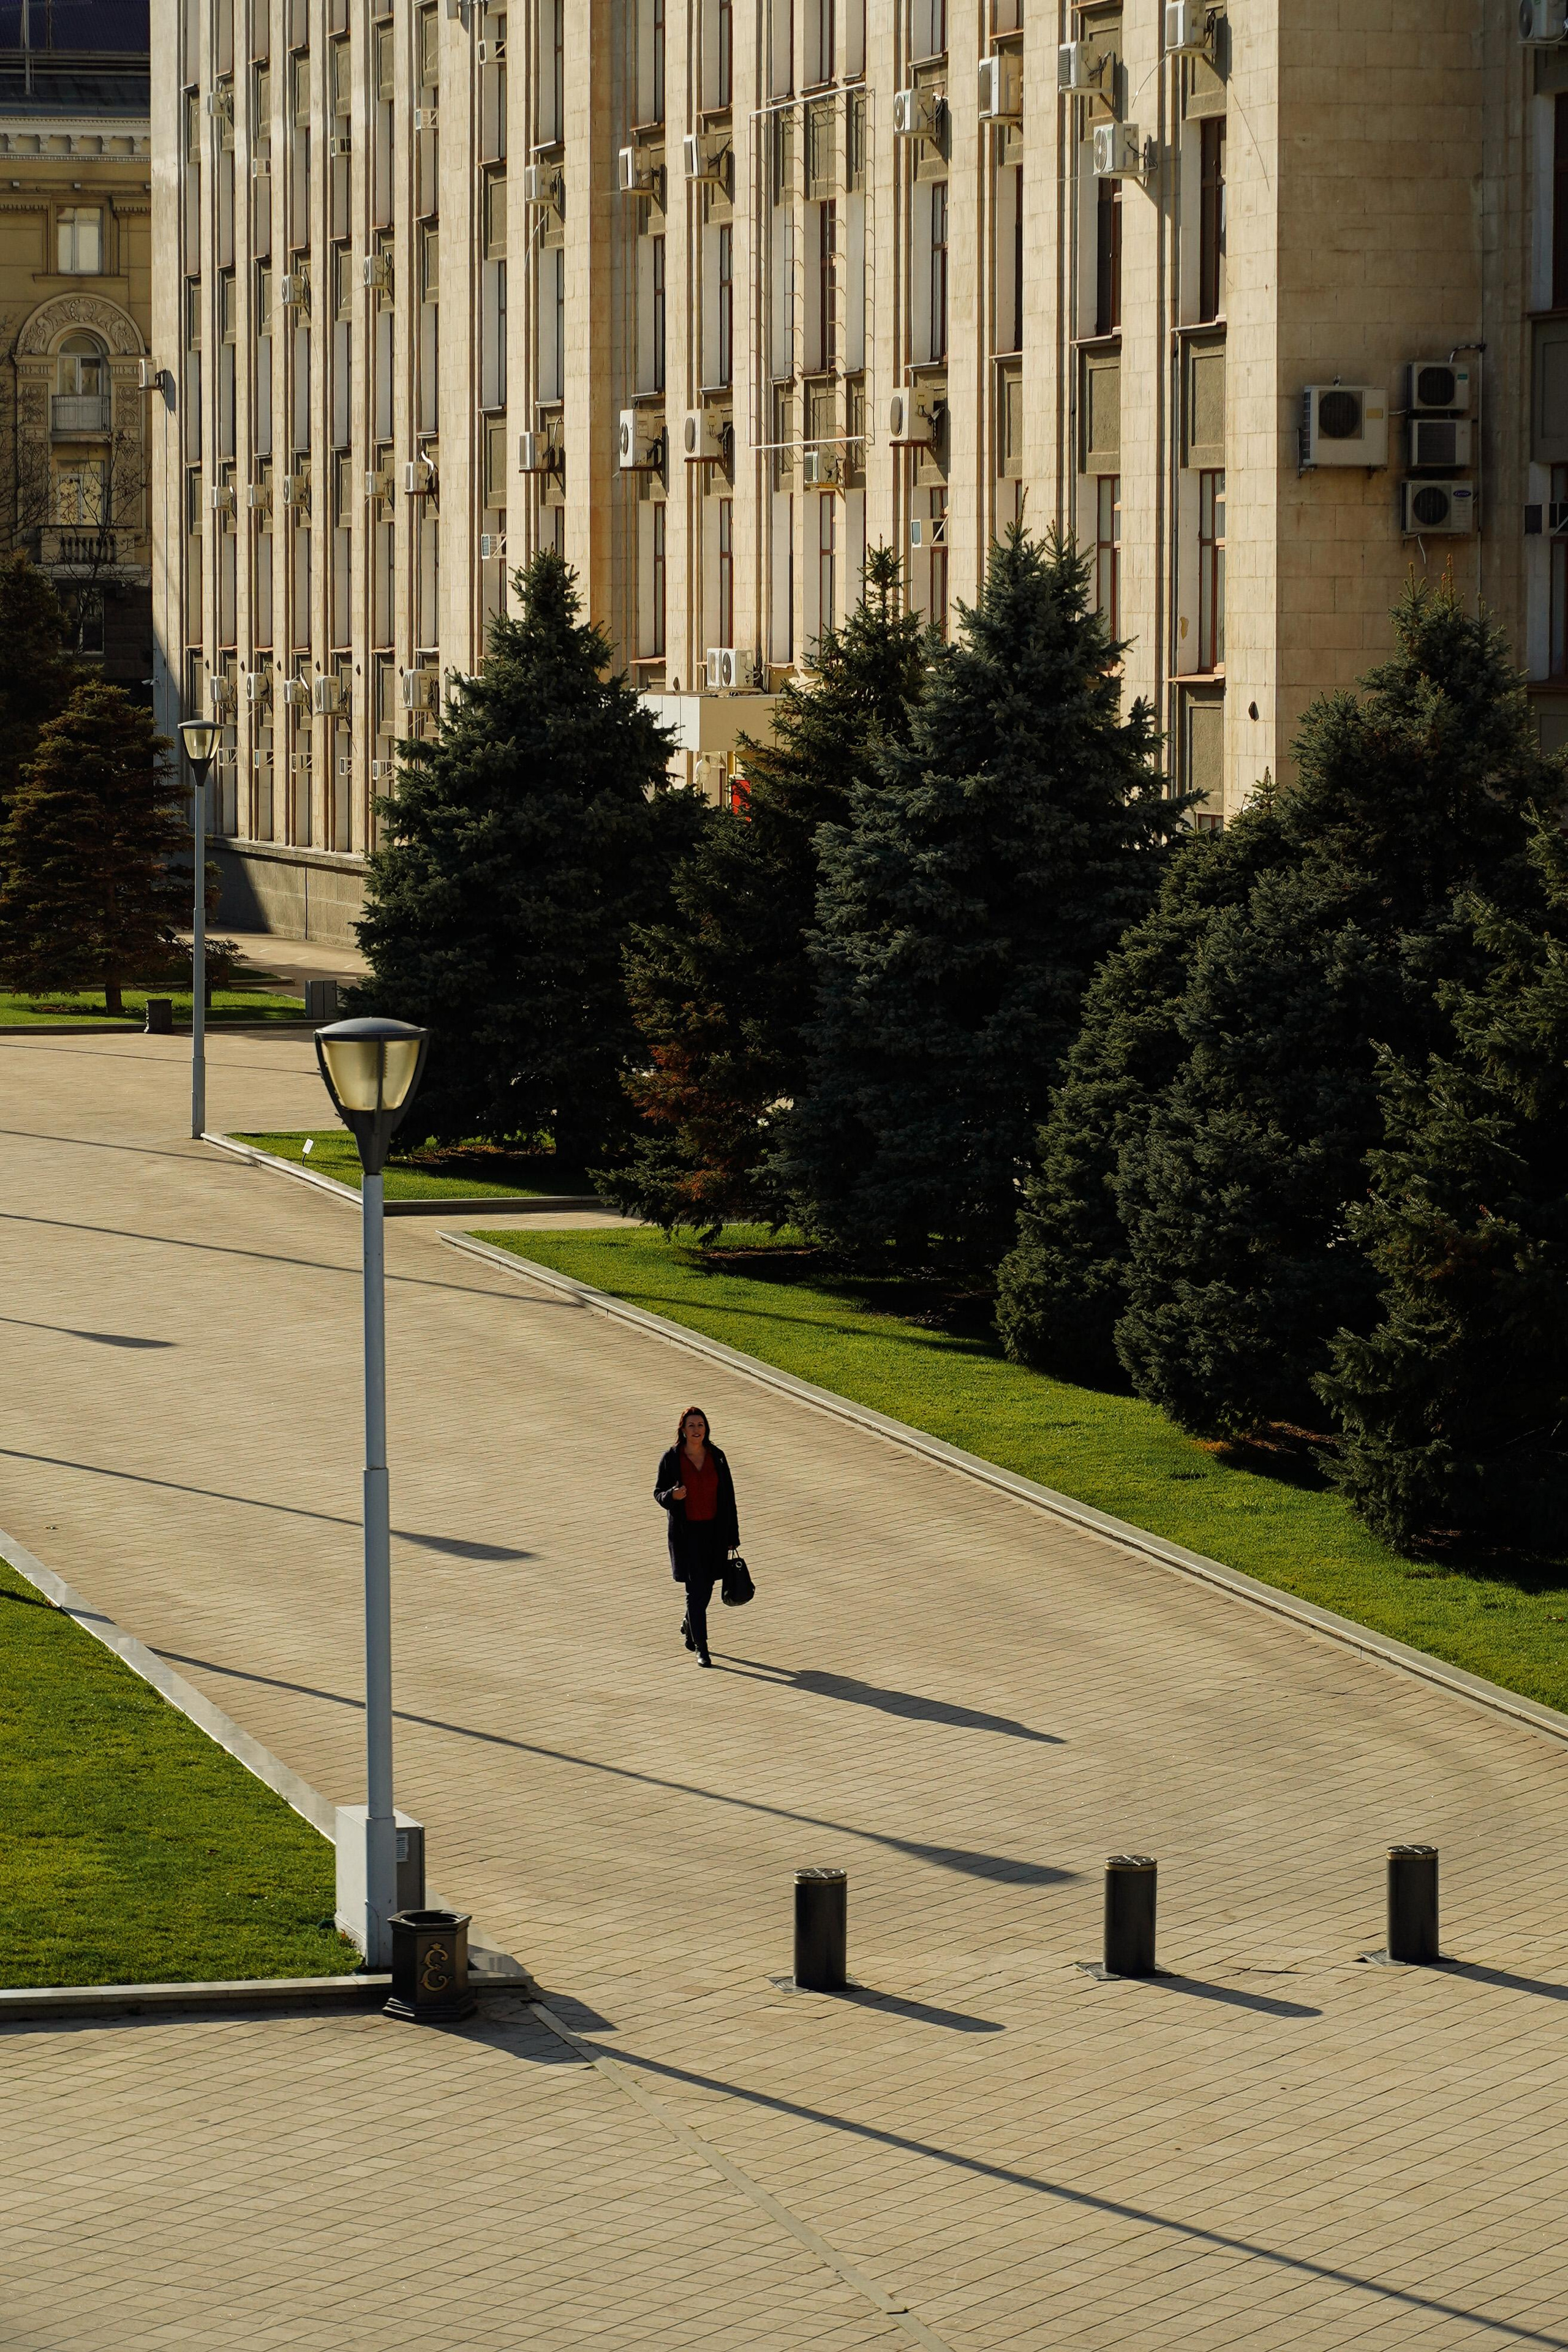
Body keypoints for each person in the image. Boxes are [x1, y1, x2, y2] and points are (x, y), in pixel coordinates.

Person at [654, 1406, 739, 1668]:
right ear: (682, 1429)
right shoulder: (671, 1458)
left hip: (714, 1532)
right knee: (695, 1591)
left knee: (707, 1588)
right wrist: (673, 1496)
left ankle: (690, 1621)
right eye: (691, 1426)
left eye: (700, 1425)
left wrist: (733, 1536)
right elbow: (659, 1493)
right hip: (687, 1535)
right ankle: (702, 1648)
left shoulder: (718, 1457)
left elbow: (729, 1498)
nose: (697, 1430)